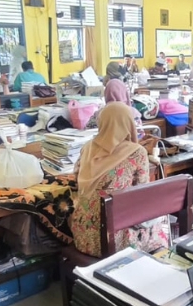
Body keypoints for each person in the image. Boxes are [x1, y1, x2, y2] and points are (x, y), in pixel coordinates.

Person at [70, 103, 168, 257]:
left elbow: (75, 178)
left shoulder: (87, 147)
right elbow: (142, 193)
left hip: (83, 234)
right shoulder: (137, 153)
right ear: (128, 123)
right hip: (113, 239)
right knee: (158, 229)